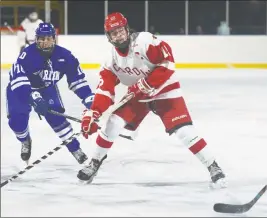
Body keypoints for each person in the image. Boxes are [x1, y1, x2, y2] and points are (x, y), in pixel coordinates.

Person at [77, 12, 226, 187]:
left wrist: (147, 83)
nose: (119, 35)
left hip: (165, 90)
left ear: (127, 29)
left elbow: (167, 62)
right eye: (114, 33)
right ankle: (95, 162)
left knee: (184, 131)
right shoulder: (111, 60)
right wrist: (93, 113)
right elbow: (104, 91)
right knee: (113, 122)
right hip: (138, 96)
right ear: (108, 37)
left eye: (121, 30)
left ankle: (213, 166)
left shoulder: (144, 41)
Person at [6, 22, 95, 164]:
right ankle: (25, 140)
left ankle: (75, 149)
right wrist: (33, 96)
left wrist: (88, 98)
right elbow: (17, 79)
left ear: (54, 38)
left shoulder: (66, 56)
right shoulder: (27, 55)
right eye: (41, 38)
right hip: (21, 89)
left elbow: (77, 80)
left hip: (46, 89)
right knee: (17, 122)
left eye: (48, 38)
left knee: (58, 119)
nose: (44, 42)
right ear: (36, 39)